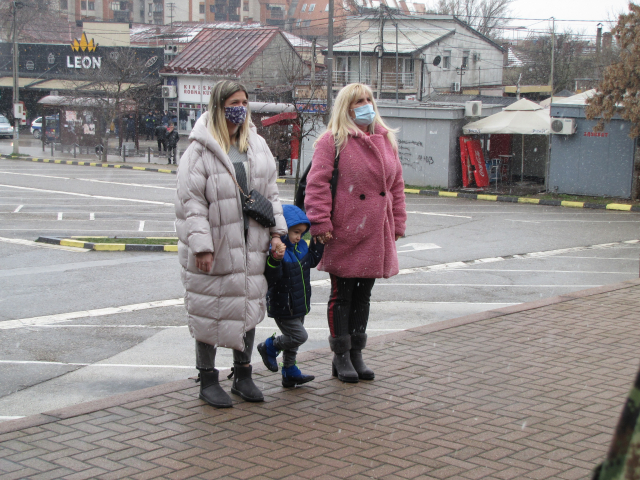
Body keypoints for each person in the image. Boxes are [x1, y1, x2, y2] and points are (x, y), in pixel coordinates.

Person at [175, 80, 287, 408]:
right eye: (233, 102)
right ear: (218, 106)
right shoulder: (200, 149)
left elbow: (271, 194)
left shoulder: (257, 144)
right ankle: (208, 378)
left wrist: (277, 232)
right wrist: (202, 247)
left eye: (244, 101)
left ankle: (243, 374)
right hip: (217, 244)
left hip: (251, 243)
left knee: (248, 306)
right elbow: (190, 203)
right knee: (208, 309)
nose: (240, 108)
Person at [304, 83, 407, 383]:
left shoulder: (386, 139)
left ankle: (357, 352)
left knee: (364, 295)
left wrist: (398, 222)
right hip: (345, 229)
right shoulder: (332, 141)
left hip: (376, 229)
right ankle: (341, 355)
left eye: (369, 99)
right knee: (343, 294)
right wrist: (320, 223)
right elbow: (317, 185)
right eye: (358, 101)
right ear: (345, 107)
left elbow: (396, 187)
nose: (365, 104)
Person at [257, 204, 324, 388]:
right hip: (283, 304)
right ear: (283, 230)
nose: (298, 237)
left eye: (302, 233)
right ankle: (269, 346)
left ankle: (289, 371)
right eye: (295, 232)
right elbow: (272, 276)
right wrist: (276, 258)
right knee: (298, 336)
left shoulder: (300, 246)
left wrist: (319, 244)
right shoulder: (277, 250)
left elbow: (311, 261)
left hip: (299, 302)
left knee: (293, 341)